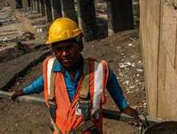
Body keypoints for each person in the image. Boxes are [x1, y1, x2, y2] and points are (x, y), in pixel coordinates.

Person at [11, 17, 141, 134]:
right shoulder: (52, 69)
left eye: (69, 47)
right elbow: (42, 82)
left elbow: (111, 81)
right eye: (59, 49)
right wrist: (23, 91)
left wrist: (123, 106)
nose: (64, 54)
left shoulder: (96, 70)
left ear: (80, 45)